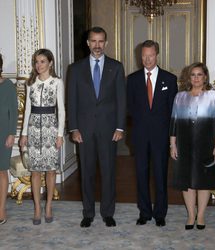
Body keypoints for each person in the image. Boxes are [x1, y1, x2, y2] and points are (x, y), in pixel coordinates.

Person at [67, 26, 126, 228]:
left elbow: (121, 100)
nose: (97, 45)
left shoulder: (116, 67)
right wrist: (73, 128)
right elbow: (71, 101)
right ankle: (88, 213)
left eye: (101, 41)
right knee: (87, 172)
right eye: (93, 41)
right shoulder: (75, 69)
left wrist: (120, 127)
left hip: (109, 129)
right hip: (83, 130)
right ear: (88, 43)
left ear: (106, 43)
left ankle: (108, 212)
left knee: (109, 171)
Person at [127, 40, 178, 227]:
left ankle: (160, 213)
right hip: (139, 136)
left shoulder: (170, 79)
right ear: (140, 57)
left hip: (161, 136)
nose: (147, 59)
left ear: (157, 55)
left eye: (151, 55)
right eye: (144, 56)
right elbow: (129, 108)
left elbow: (173, 111)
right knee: (141, 174)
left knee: (160, 175)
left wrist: (172, 138)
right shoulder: (131, 80)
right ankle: (144, 212)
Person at [170, 62, 215, 230]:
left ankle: (200, 215)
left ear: (205, 77)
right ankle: (191, 215)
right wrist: (173, 145)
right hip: (184, 144)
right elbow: (174, 122)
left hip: (206, 145)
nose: (196, 78)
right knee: (187, 180)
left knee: (203, 181)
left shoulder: (214, 96)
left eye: (199, 74)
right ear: (189, 77)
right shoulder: (180, 97)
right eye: (193, 75)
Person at [20, 49, 65, 225]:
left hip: (51, 130)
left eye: (42, 62)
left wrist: (60, 134)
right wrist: (24, 134)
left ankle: (48, 206)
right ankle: (37, 208)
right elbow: (27, 110)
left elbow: (61, 110)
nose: (38, 65)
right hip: (33, 130)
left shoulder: (57, 82)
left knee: (51, 171)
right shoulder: (30, 83)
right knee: (35, 171)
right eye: (36, 62)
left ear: (50, 63)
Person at [0, 54, 18, 225]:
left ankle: (1, 209)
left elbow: (14, 111)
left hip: (3, 133)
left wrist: (12, 133)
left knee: (1, 170)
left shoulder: (8, 86)